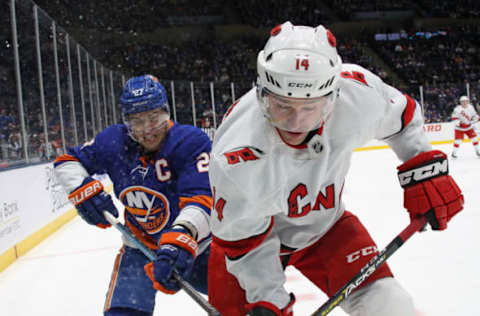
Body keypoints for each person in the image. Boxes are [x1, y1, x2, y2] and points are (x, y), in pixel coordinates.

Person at [207, 22, 464, 316]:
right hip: (250, 246)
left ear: (332, 97)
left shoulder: (355, 94)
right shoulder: (236, 151)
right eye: (282, 106)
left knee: (390, 306)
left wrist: (421, 165)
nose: (296, 122)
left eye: (310, 107)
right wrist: (268, 297)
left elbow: (402, 117)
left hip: (325, 229)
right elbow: (243, 241)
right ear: (263, 94)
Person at [54, 74, 213, 316]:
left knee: (243, 304)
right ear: (126, 121)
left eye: (154, 118)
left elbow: (202, 201)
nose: (148, 129)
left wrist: (180, 238)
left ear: (167, 112)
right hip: (140, 247)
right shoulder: (113, 141)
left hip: (198, 248)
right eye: (137, 121)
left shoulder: (190, 142)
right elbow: (67, 161)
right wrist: (82, 190)